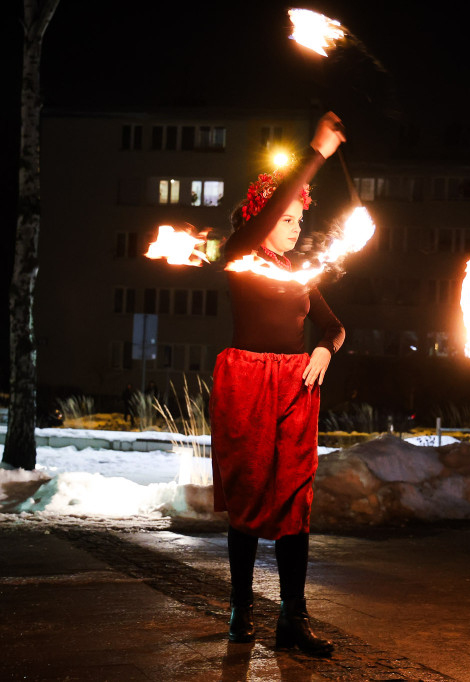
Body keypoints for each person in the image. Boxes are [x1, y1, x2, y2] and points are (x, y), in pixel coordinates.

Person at [209, 112, 346, 655]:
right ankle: (242, 610)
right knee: (247, 497)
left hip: (295, 387)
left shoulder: (299, 279)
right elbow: (266, 212)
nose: (296, 228)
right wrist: (314, 154)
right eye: (286, 219)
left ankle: (294, 617)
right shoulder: (241, 255)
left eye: (298, 221)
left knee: (295, 501)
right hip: (247, 384)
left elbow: (335, 328)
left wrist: (322, 349)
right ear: (263, 219)